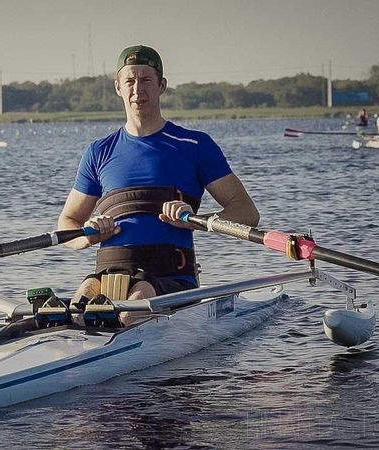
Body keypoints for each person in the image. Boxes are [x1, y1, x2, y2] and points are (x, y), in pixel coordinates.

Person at [57, 45, 260, 317]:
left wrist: (195, 220)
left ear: (162, 85)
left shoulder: (195, 145)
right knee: (77, 311)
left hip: (171, 278)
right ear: (118, 87)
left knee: (133, 308)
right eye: (130, 81)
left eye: (146, 80)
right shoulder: (98, 152)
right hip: (108, 273)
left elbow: (247, 213)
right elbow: (67, 222)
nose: (137, 89)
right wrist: (88, 235)